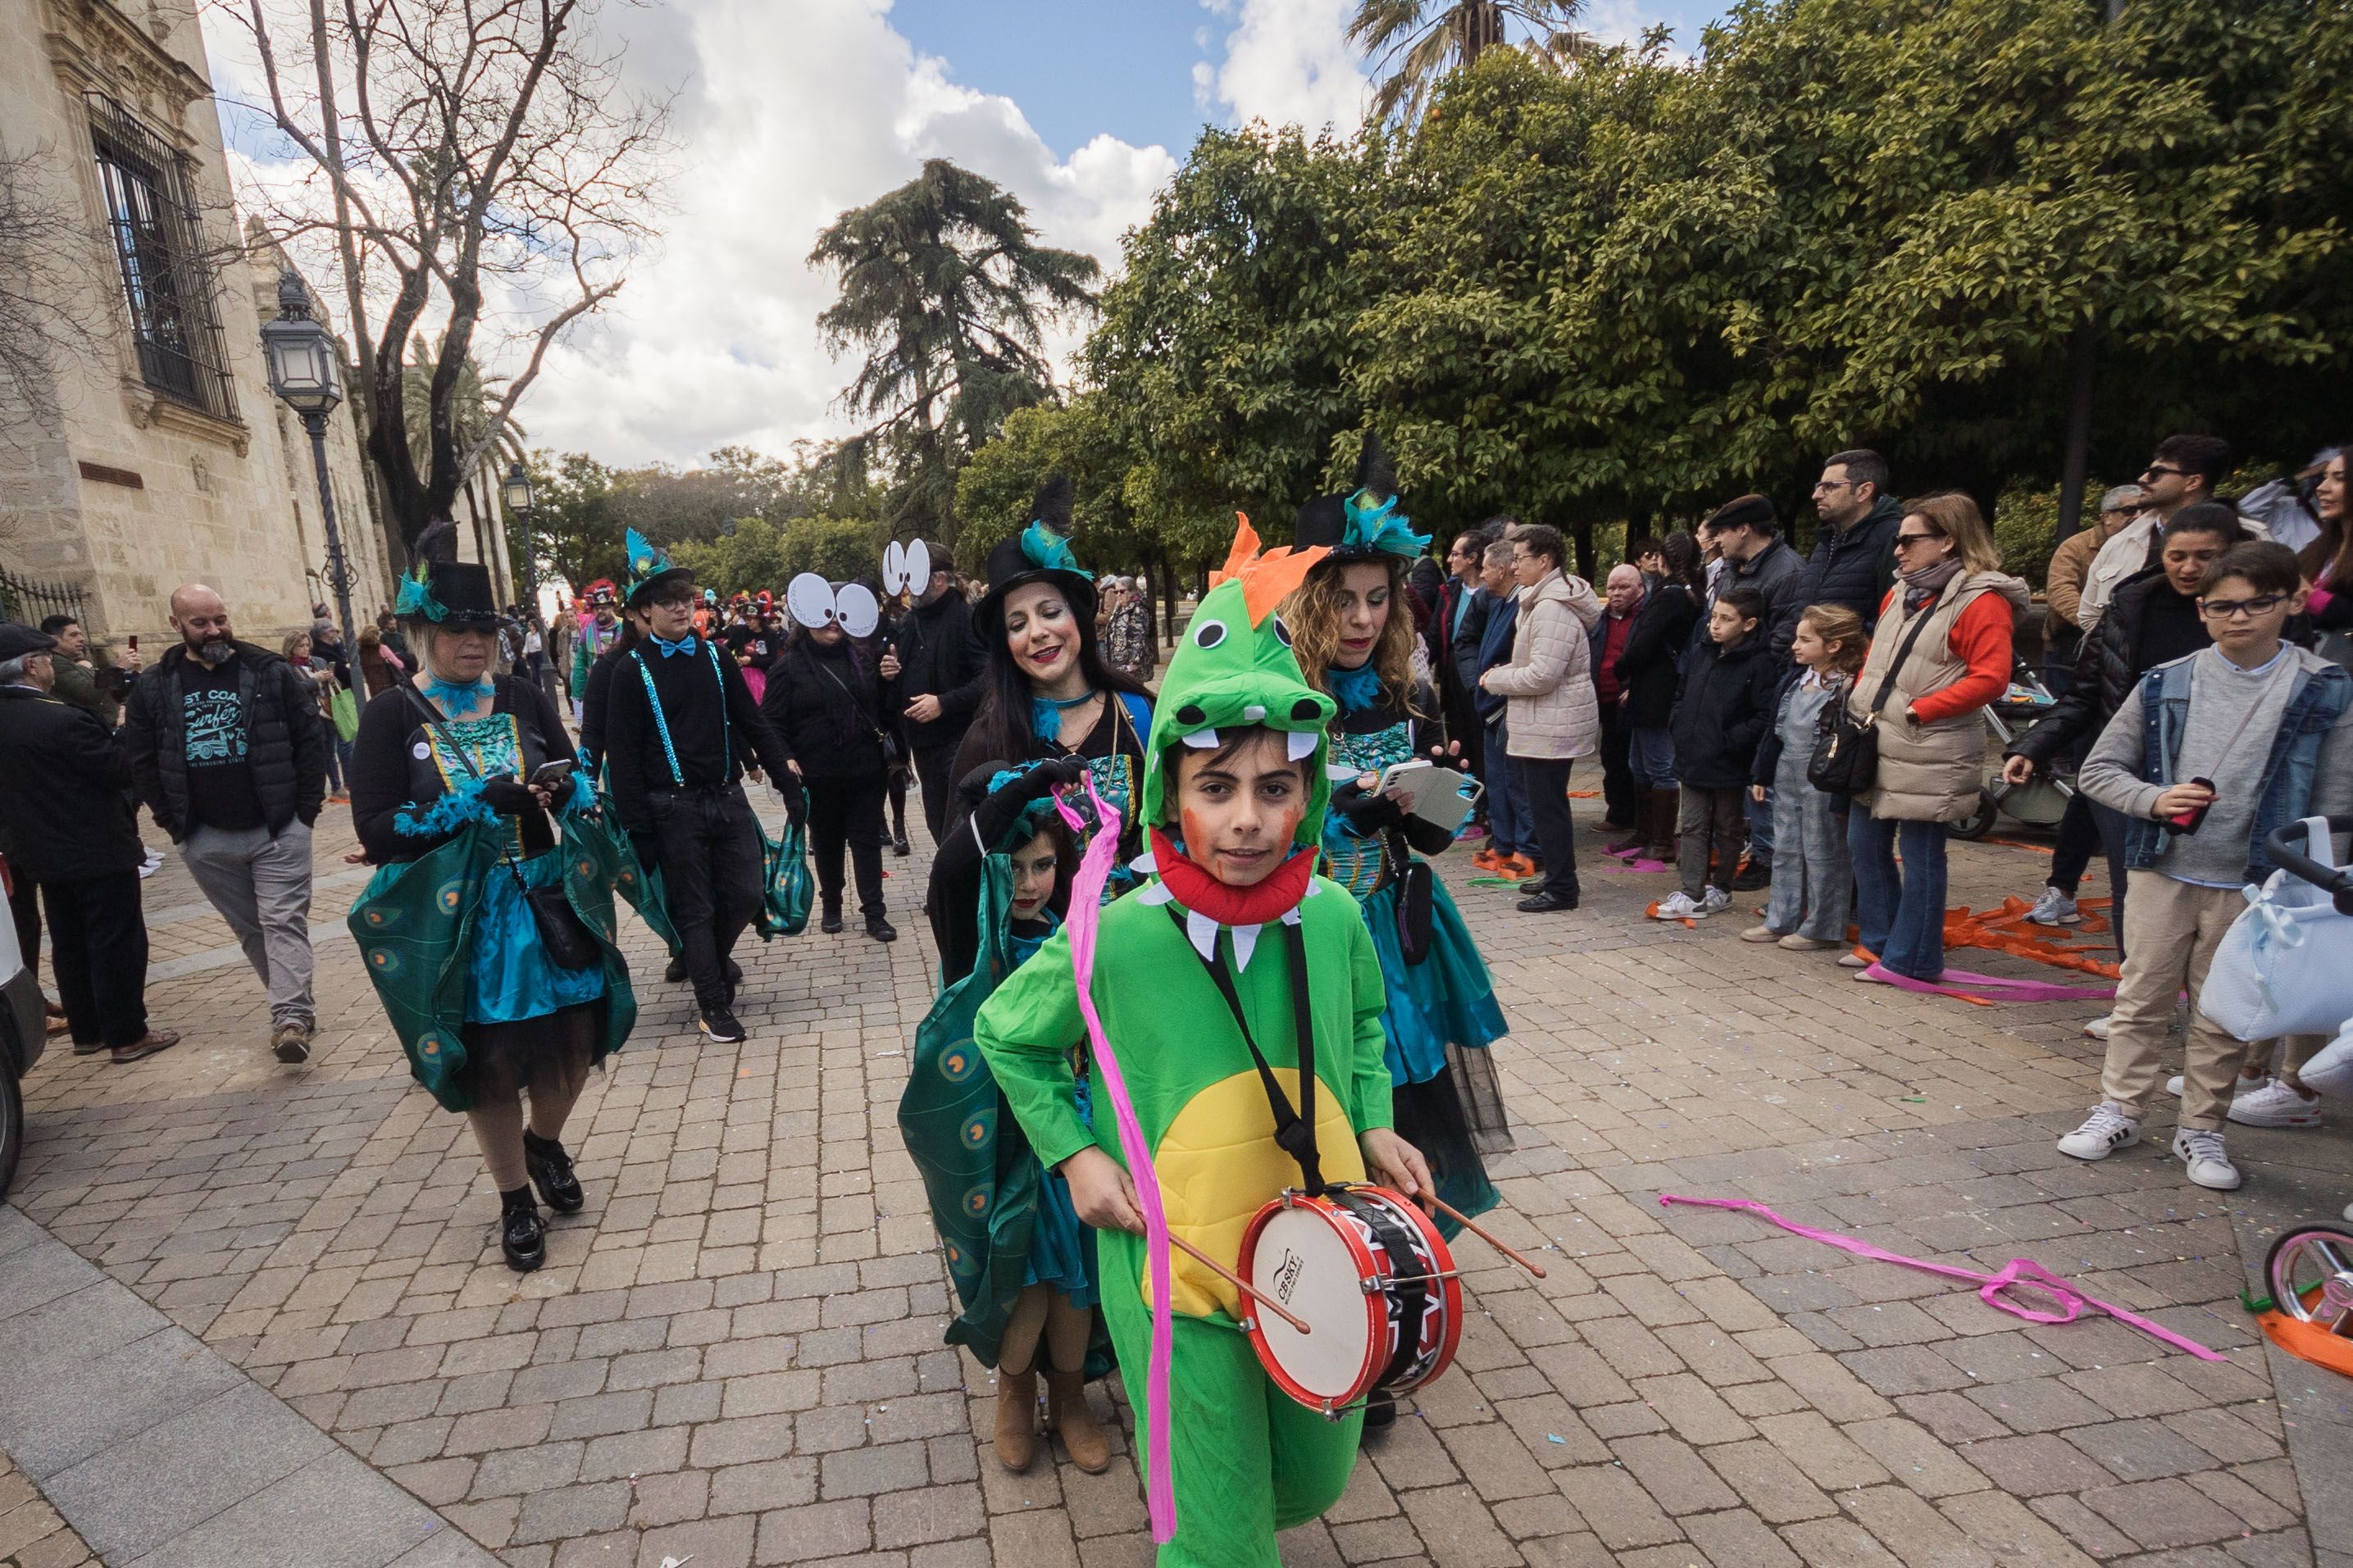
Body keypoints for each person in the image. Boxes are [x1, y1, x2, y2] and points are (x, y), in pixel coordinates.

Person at [972, 532, 1435, 1567]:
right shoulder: (1120, 931)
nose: (1245, 819)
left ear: (1308, 797)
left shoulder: (1329, 913)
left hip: (1319, 1248)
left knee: (1312, 1473)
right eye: (1215, 786)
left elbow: (1362, 1023)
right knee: (1217, 1525)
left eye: (1276, 789)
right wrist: (1074, 1152)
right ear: (1169, 795)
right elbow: (1006, 1031)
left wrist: (1372, 1120)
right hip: (1175, 1271)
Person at [348, 557, 635, 1271]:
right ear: (421, 631)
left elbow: (571, 771)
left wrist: (569, 793)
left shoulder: (522, 693)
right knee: (493, 1066)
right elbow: (377, 830)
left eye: (486, 628)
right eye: (456, 628)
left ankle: (545, 1142)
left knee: (577, 1043)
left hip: (545, 902)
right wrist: (476, 803)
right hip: (464, 923)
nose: (474, 641)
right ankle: (513, 1198)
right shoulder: (391, 714)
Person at [2058, 541, 2353, 1189]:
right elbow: (2099, 771)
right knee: (2142, 996)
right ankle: (2119, 1108)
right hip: (2164, 866)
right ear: (2201, 610)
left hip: (2257, 881)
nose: (2239, 617)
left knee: (2223, 1014)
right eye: (2222, 606)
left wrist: (2316, 882)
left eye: (2257, 603)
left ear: (2292, 602)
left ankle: (2202, 1128)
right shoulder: (2168, 680)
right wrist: (2156, 799)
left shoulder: (2323, 688)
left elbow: (2334, 800)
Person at [1286, 468, 1509, 1259]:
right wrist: (1343, 805)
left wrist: (1440, 798)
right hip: (1304, 926)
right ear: (1311, 599)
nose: (1361, 617)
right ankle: (1328, 1247)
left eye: (1378, 597)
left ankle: (1406, 1242)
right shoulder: (1280, 694)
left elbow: (1428, 843)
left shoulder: (1404, 693)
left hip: (1391, 922)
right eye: (1343, 598)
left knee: (1405, 1085)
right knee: (1321, 1087)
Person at [900, 760, 1113, 1474]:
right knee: (1023, 1281)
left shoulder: (1082, 929)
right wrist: (1025, 788)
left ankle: (1073, 1395)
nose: (1028, 883)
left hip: (1078, 1133)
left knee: (1077, 1278)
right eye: (1014, 867)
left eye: (1044, 865)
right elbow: (961, 860)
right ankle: (1014, 1393)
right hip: (1000, 1142)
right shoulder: (969, 933)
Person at [2005, 506, 2246, 964]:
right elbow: (2084, 694)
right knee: (2131, 888)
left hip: (2215, 776)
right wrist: (2031, 748)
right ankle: (2135, 1001)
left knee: (2211, 900)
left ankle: (2203, 1006)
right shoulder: (2131, 602)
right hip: (2129, 774)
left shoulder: (2255, 612)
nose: (2189, 568)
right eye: (2178, 555)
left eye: (2205, 556)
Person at [603, 531, 800, 1044]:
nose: (679, 608)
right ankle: (713, 1004)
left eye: (685, 599)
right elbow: (622, 757)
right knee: (695, 906)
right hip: (671, 806)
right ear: (643, 613)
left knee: (745, 891)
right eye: (666, 602)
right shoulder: (631, 670)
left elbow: (753, 722)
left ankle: (707, 957)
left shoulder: (716, 659)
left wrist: (786, 779)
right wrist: (637, 826)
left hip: (727, 795)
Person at [123, 584, 328, 1062]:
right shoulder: (154, 686)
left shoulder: (269, 672)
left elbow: (309, 740)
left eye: (220, 618)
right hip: (205, 835)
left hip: (277, 828)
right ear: (177, 626)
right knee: (252, 929)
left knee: (282, 922)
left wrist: (304, 814)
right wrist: (175, 825)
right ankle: (293, 1007)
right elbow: (143, 760)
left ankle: (290, 1018)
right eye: (201, 623)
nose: (214, 630)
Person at [1846, 494, 2028, 982]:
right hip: (1878, 741)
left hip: (1931, 746)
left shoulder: (1981, 600)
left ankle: (1914, 959)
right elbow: (1878, 662)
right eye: (1896, 540)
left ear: (1948, 541)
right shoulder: (1899, 593)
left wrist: (1919, 709)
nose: (1899, 550)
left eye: (1909, 540)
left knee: (1923, 855)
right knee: (1864, 844)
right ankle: (1881, 944)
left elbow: (1991, 678)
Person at [949, 477, 1154, 879]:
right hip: (1040, 944)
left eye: (1050, 612)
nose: (1037, 632)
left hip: (1138, 938)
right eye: (1017, 623)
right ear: (1004, 643)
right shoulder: (987, 739)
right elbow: (957, 877)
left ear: (1076, 617)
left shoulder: (1141, 713)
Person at [0, 623, 177, 1065]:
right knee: (115, 940)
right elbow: (118, 769)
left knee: (70, 941)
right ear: (30, 666)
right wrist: (125, 729)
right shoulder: (60, 718)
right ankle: (127, 1033)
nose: (51, 667)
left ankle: (88, 1028)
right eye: (45, 659)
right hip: (94, 846)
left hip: (41, 851)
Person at [2025, 484, 2147, 932]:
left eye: (2143, 509)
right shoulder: (2084, 548)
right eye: (2130, 510)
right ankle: (2062, 887)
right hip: (2078, 650)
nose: (2138, 516)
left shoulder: (2160, 546)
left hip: (2130, 668)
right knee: (2090, 777)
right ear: (2108, 516)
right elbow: (2062, 594)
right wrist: (2103, 630)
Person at [762, 593, 898, 942]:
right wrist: (785, 757)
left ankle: (874, 912)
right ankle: (832, 905)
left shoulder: (865, 659)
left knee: (866, 840)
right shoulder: (788, 666)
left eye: (839, 615)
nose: (833, 621)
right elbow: (771, 721)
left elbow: (884, 709)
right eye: (824, 615)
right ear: (806, 619)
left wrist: (888, 680)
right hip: (817, 773)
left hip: (865, 769)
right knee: (827, 841)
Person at [1479, 524, 1601, 912]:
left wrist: (1495, 679)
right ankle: (1557, 878)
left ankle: (1563, 888)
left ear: (1544, 560)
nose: (1514, 567)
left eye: (1520, 558)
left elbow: (1543, 674)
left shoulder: (1552, 609)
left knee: (1548, 808)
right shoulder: (1542, 601)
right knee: (1546, 805)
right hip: (1545, 720)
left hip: (1552, 722)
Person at [1745, 605, 1864, 949]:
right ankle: (1782, 918)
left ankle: (1823, 926)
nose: (1795, 645)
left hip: (1823, 777)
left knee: (1822, 849)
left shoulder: (1848, 687)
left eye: (1805, 639)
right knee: (1786, 847)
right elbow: (1774, 730)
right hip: (1787, 770)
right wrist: (1762, 773)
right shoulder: (1797, 678)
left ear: (1834, 646)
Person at [1654, 587, 1777, 920]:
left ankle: (1721, 887)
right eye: (1714, 617)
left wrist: (1730, 739)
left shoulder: (1761, 662)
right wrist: (1678, 723)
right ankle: (1693, 892)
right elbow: (1682, 690)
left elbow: (1765, 714)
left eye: (1726, 619)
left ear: (1749, 623)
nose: (1716, 625)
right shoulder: (1702, 651)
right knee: (1693, 825)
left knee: (1728, 826)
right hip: (1693, 753)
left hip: (1727, 758)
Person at [2079, 434, 2238, 634]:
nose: (2143, 479)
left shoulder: (2247, 536)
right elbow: (2088, 614)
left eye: (2156, 473)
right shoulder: (2122, 541)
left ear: (2193, 482)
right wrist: (2122, 651)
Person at [1610, 532, 1703, 863]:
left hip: (1658, 690)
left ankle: (1661, 841)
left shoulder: (1670, 596)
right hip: (1648, 689)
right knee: (1640, 764)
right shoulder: (1681, 593)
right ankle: (1646, 832)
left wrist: (1620, 668)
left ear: (1662, 559)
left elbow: (1645, 641)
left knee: (1659, 766)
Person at [888, 544, 990, 840]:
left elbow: (988, 679)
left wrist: (944, 703)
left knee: (963, 823)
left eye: (916, 578)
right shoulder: (909, 622)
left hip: (960, 739)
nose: (909, 588)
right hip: (922, 743)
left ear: (940, 579)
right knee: (938, 823)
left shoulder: (966, 618)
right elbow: (896, 683)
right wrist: (888, 673)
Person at [1780, 448, 1904, 655]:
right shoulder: (1827, 540)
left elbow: (1893, 617)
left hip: (1852, 671)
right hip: (1810, 670)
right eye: (1819, 486)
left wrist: (1848, 660)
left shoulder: (1893, 538)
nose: (1816, 495)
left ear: (1864, 492)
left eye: (1829, 487)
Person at [1464, 540, 1531, 877]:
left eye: (1487, 568)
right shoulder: (1497, 602)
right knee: (1498, 781)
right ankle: (1504, 843)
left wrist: (1497, 687)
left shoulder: (1521, 604)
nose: (1483, 574)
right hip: (1490, 702)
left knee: (1517, 782)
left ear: (1501, 570)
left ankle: (1527, 848)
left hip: (1507, 705)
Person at [1588, 564, 1645, 837]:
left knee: (1633, 760)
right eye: (1611, 587)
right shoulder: (1602, 619)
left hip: (1631, 699)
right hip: (1604, 698)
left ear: (1640, 588)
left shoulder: (1645, 618)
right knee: (1611, 757)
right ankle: (1619, 813)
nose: (1616, 593)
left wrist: (1634, 685)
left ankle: (1638, 817)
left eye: (1623, 587)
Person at [37, 614, 138, 726]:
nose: (81, 639)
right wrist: (120, 668)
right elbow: (89, 693)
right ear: (55, 640)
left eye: (80, 634)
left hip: (110, 723)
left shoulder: (73, 662)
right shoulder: (55, 663)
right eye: (74, 635)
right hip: (91, 727)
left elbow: (109, 691)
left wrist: (132, 673)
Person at [570, 580, 623, 724]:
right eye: (597, 608)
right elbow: (580, 663)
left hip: (622, 685)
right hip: (596, 687)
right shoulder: (586, 633)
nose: (600, 611)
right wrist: (578, 694)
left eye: (604, 608)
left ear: (612, 608)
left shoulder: (625, 629)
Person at [1103, 576, 1158, 684]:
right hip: (1119, 663)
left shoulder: (1138, 610)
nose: (1118, 594)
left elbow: (1139, 637)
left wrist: (1134, 663)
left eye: (1122, 591)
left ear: (1132, 591)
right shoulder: (1120, 607)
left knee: (1133, 693)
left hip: (1130, 666)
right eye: (1116, 592)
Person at [356, 623, 401, 697]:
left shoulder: (360, 651)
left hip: (372, 688)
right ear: (377, 635)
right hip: (388, 686)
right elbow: (399, 665)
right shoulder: (382, 648)